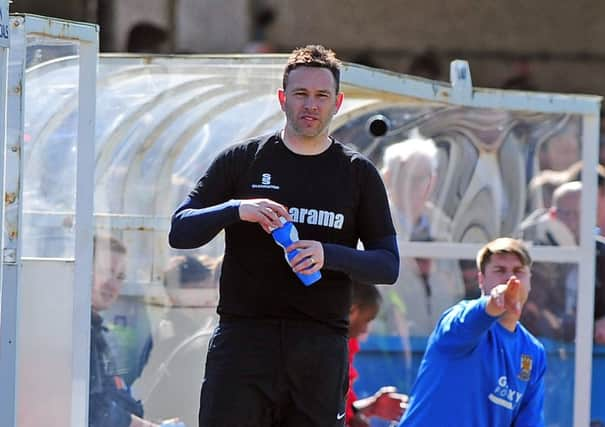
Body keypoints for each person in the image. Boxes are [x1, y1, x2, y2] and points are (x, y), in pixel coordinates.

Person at [169, 45, 399, 427]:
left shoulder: (358, 174)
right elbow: (181, 229)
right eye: (301, 94)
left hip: (319, 346)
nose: (311, 105)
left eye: (322, 96)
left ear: (338, 102)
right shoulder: (242, 160)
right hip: (244, 341)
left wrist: (329, 254)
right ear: (282, 99)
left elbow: (387, 265)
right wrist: (236, 209)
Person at [398, 237, 546, 427]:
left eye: (518, 271)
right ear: (481, 280)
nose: (510, 279)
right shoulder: (459, 318)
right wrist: (493, 303)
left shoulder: (533, 351)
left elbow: (529, 421)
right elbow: (469, 321)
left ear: (530, 280)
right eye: (499, 270)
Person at [377, 135, 464, 337]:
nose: (417, 186)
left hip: (440, 343)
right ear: (388, 178)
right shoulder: (374, 221)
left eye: (424, 178)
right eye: (409, 177)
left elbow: (455, 290)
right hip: (390, 344)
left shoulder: (444, 226)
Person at [90, 234, 179, 427]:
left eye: (120, 276)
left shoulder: (96, 331)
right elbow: (94, 410)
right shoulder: (79, 333)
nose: (112, 284)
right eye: (105, 271)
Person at [133, 255, 221, 427]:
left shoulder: (198, 327)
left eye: (207, 289)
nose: (208, 298)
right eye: (198, 291)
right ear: (175, 295)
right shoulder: (171, 333)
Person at [346, 282, 407, 427]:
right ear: (352, 311)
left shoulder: (346, 346)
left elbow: (345, 410)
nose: (366, 331)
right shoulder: (330, 355)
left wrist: (371, 407)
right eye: (366, 320)